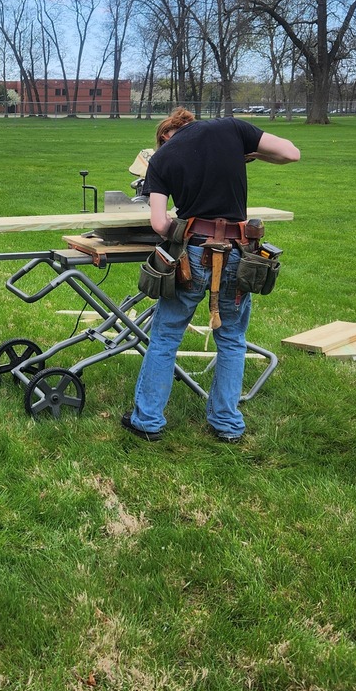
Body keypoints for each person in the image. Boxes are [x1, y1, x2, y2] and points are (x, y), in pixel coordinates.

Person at [124, 107, 300, 444]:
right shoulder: (232, 129)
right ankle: (227, 424)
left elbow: (159, 223)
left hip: (192, 254)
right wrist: (250, 152)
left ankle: (147, 421)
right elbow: (291, 153)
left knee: (165, 337)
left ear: (165, 136)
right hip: (237, 251)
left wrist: (183, 227)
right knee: (232, 339)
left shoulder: (160, 159)